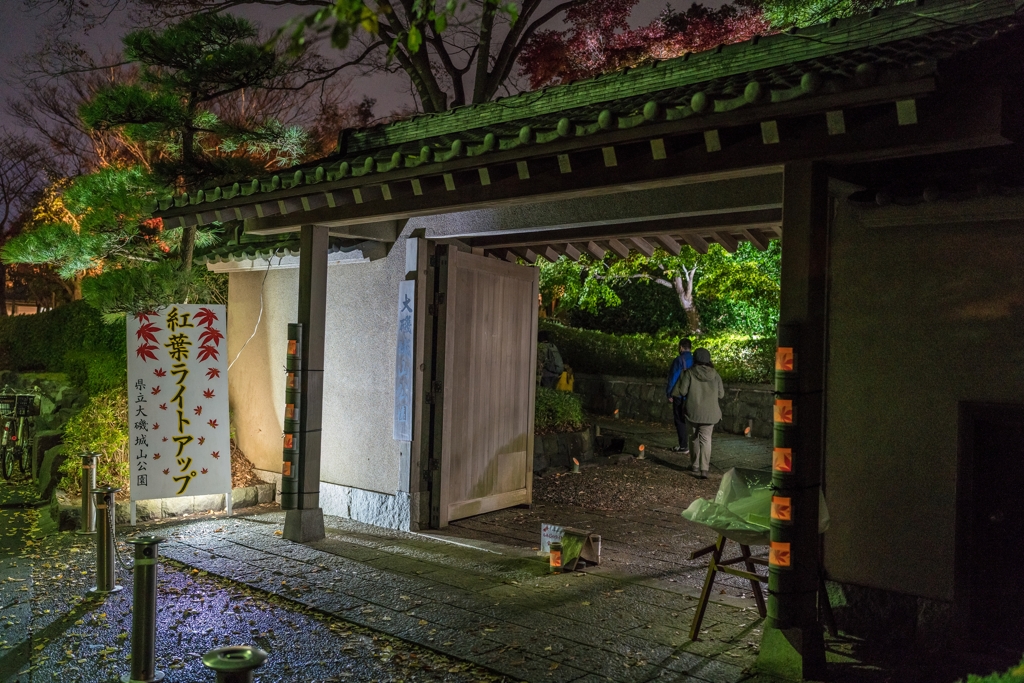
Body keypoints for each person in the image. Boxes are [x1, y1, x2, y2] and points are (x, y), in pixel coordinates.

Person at [672, 347, 724, 479]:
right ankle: (704, 469)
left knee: (693, 438)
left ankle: (694, 465)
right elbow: (721, 394)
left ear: (695, 359)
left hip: (692, 411)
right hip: (710, 413)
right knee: (706, 440)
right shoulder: (715, 375)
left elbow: (682, 391)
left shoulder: (689, 373)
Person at [665, 338, 693, 454]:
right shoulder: (695, 360)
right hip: (692, 395)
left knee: (680, 420)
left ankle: (683, 446)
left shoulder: (679, 360)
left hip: (680, 395)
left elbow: (673, 377)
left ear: (681, 347)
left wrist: (669, 393)